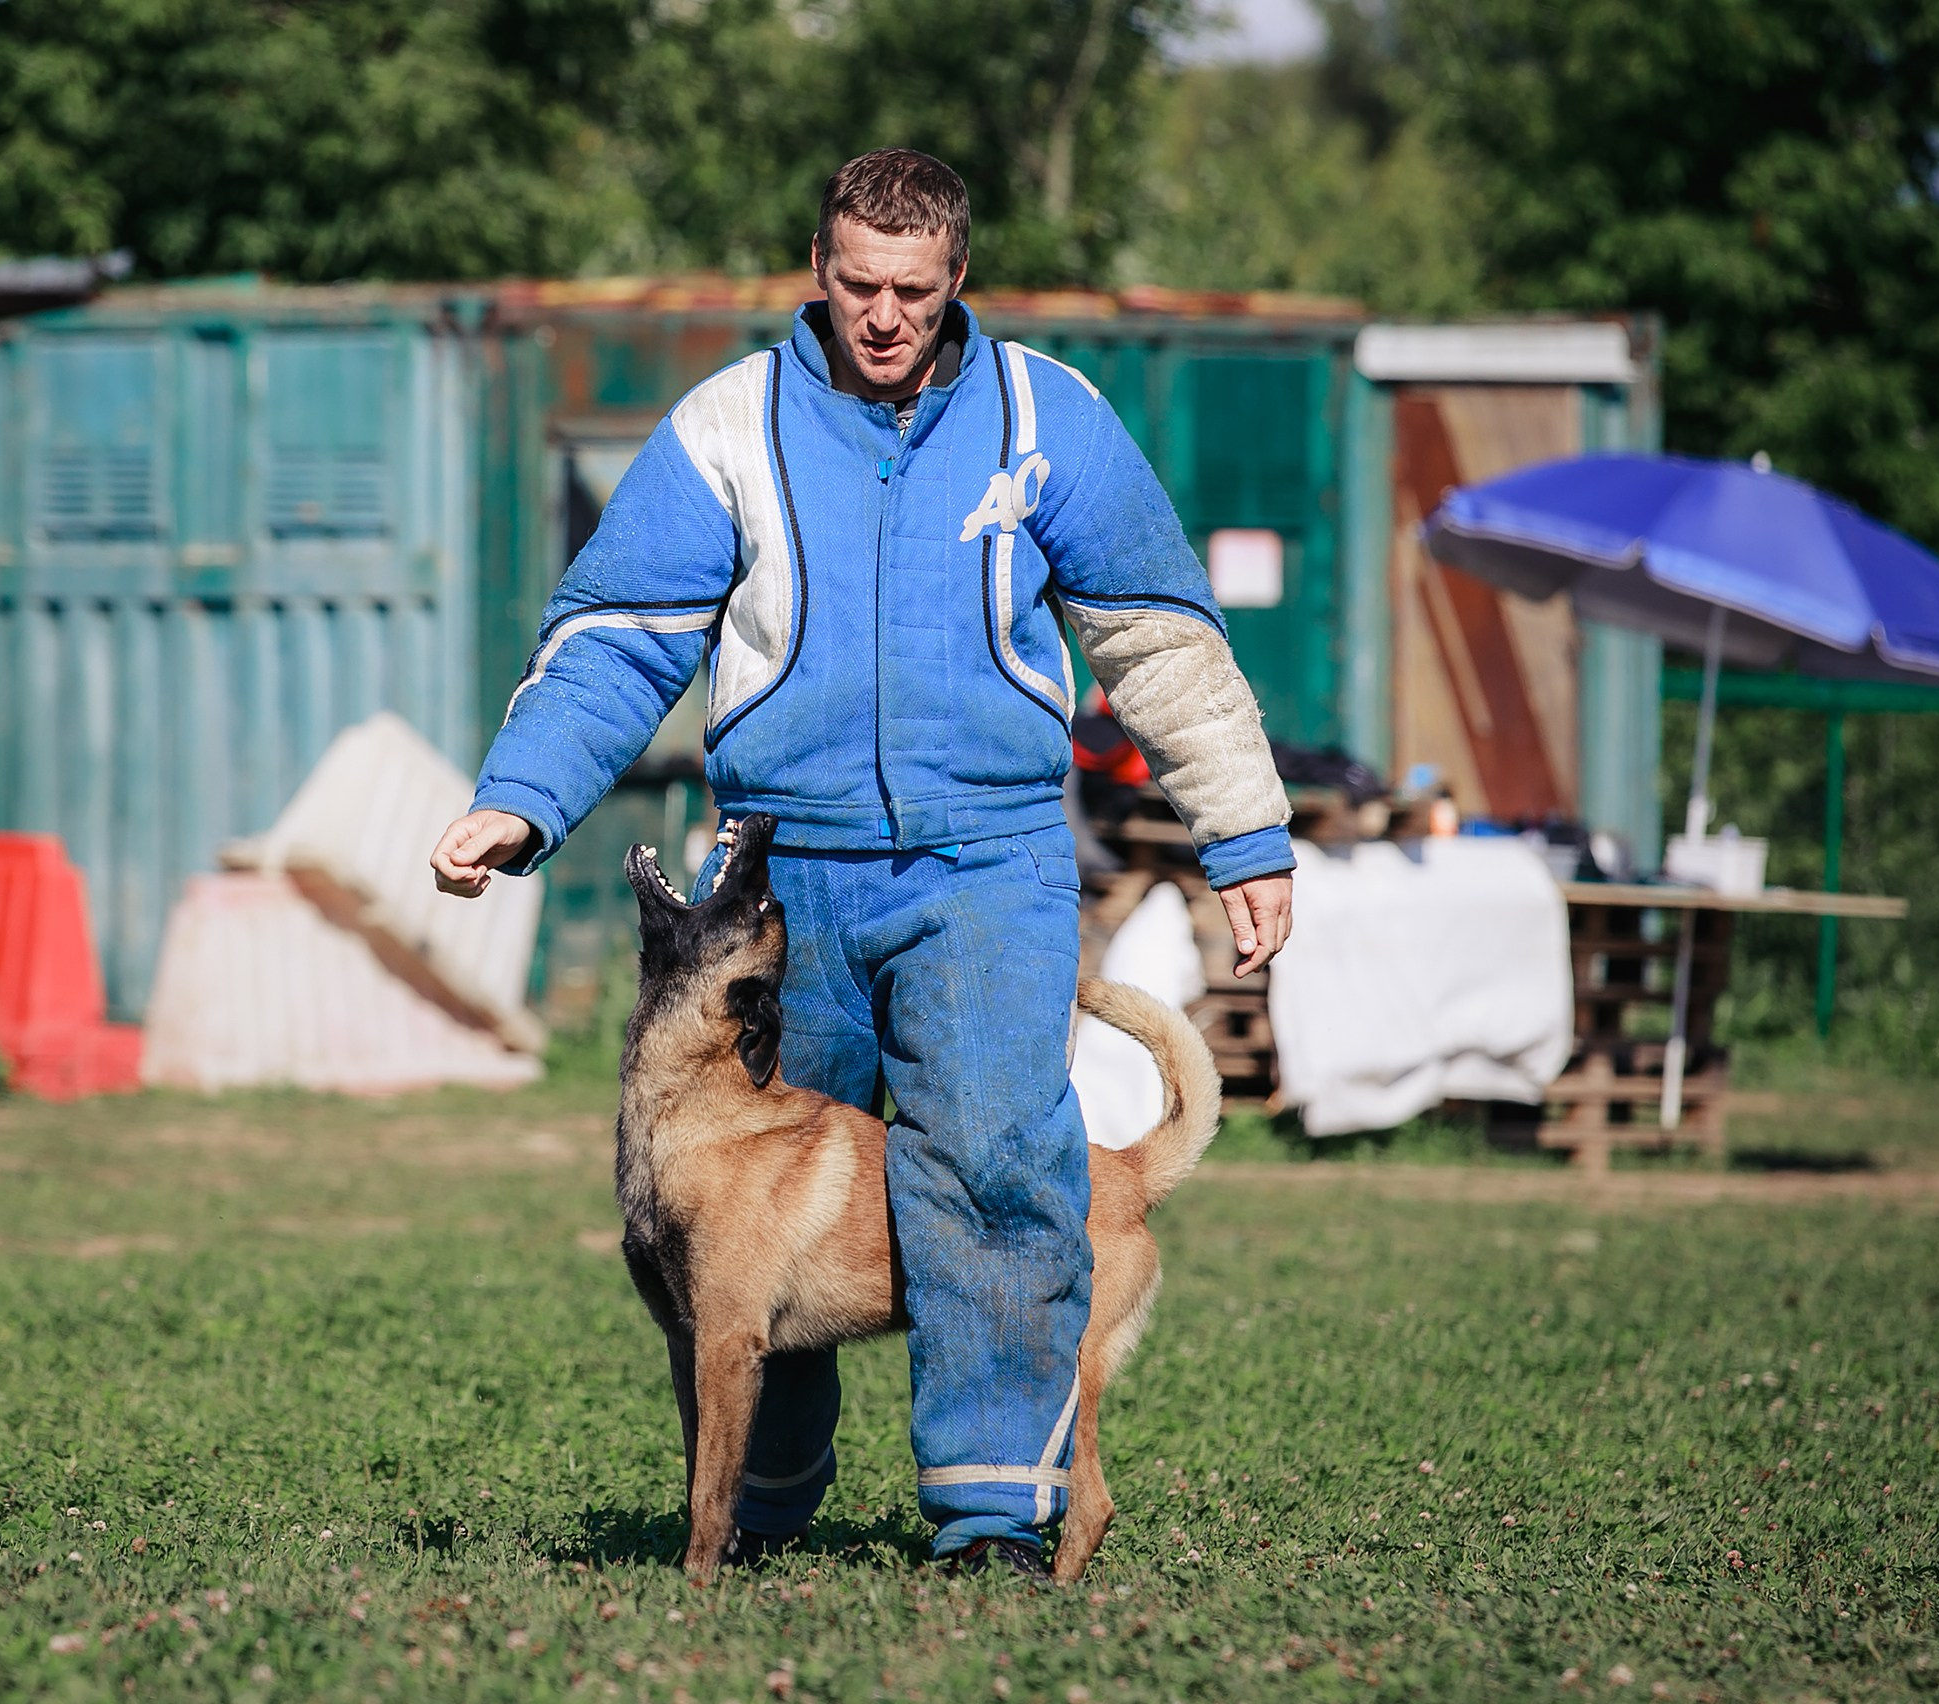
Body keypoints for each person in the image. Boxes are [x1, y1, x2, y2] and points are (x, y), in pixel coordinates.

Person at [430, 149, 1294, 1578]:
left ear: (957, 282)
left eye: (911, 290)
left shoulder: (1044, 417)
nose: (882, 316)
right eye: (854, 286)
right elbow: (620, 633)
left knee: (997, 1170)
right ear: (815, 272)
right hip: (784, 879)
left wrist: (1247, 835)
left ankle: (988, 1521)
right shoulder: (727, 426)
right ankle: (761, 1503)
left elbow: (1158, 639)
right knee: (742, 1207)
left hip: (989, 864)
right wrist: (520, 798)